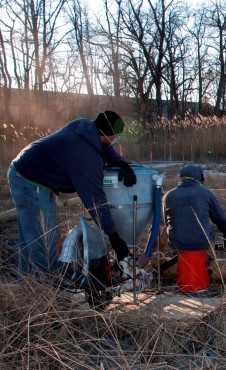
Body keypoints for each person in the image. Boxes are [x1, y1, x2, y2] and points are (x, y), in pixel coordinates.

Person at [8, 110, 137, 279]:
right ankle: (46, 292)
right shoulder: (85, 157)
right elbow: (95, 201)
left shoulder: (86, 129)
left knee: (30, 239)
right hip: (29, 181)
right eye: (115, 135)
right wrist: (114, 237)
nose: (116, 139)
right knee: (45, 241)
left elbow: (104, 147)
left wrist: (121, 163)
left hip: (23, 172)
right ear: (105, 133)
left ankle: (25, 287)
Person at [163, 164, 226, 252]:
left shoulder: (168, 195)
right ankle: (207, 256)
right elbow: (221, 219)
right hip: (203, 243)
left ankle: (157, 259)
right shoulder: (207, 193)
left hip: (176, 244)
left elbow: (166, 222)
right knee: (208, 229)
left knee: (161, 230)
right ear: (200, 177)